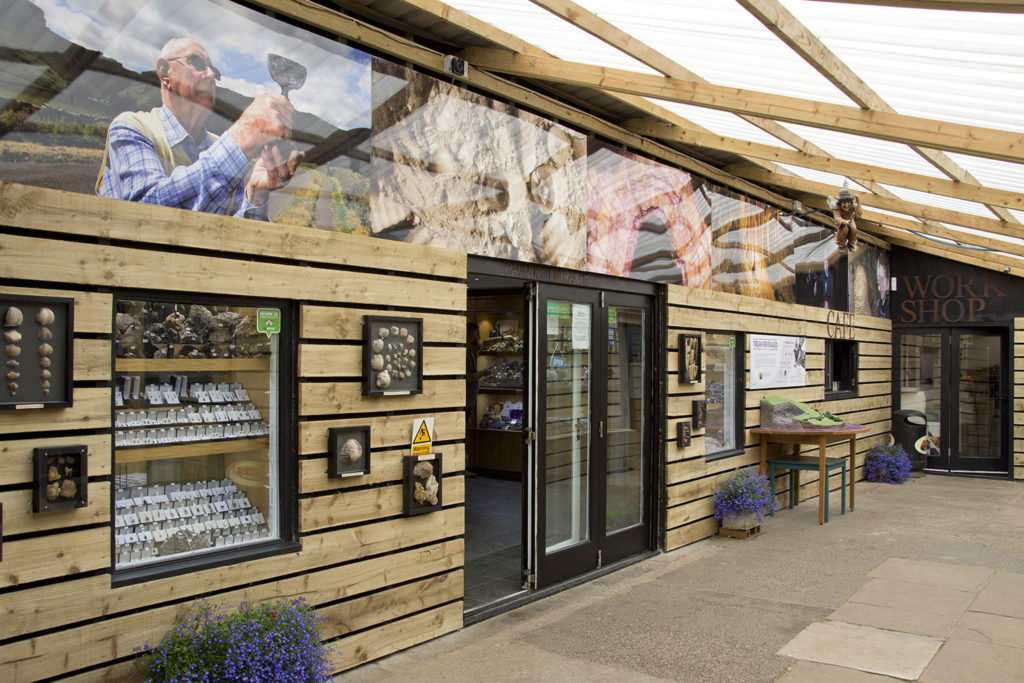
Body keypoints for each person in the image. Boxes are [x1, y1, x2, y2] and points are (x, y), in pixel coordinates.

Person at [96, 37, 302, 219]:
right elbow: (142, 216)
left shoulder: (219, 147)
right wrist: (243, 134)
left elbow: (229, 235)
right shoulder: (132, 128)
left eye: (215, 71)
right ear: (164, 71)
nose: (211, 74)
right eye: (197, 62)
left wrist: (256, 194)